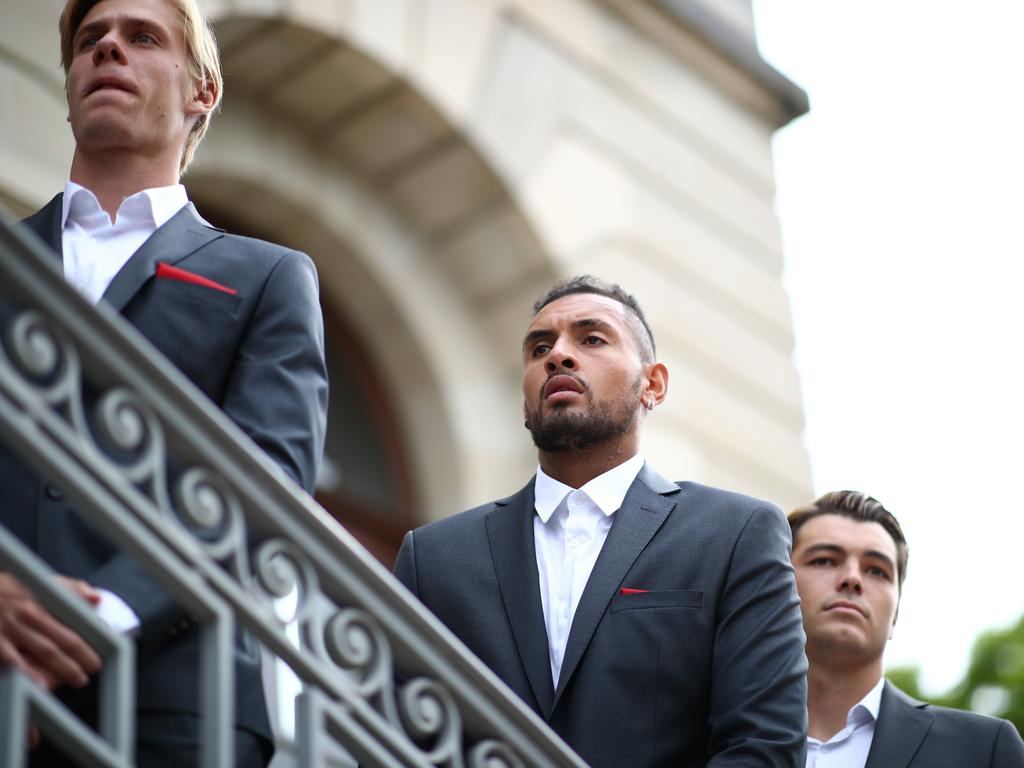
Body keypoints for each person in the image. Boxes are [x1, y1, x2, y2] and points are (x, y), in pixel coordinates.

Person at [0, 0, 328, 764]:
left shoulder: (268, 277)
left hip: (177, 707)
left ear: (200, 91)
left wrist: (103, 613)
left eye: (142, 37)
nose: (107, 48)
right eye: (90, 40)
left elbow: (267, 483)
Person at [394, 275, 808, 766]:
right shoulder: (434, 558)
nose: (557, 356)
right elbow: (390, 740)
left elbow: (763, 747)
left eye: (591, 339)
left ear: (652, 385)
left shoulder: (736, 534)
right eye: (539, 347)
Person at [789, 491, 1024, 767]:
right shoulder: (726, 736)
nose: (852, 578)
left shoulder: (985, 751)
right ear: (779, 587)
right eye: (824, 560)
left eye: (876, 570)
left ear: (896, 613)